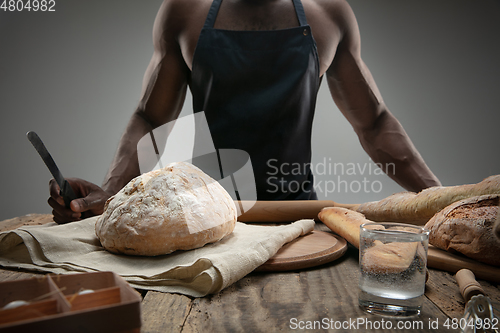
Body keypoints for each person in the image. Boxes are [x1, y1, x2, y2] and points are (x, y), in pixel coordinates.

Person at [49, 0, 441, 224]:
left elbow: (374, 123)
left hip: (300, 219)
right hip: (204, 221)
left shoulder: (328, 14)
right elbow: (150, 118)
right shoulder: (184, 12)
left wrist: (442, 199)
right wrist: (110, 194)